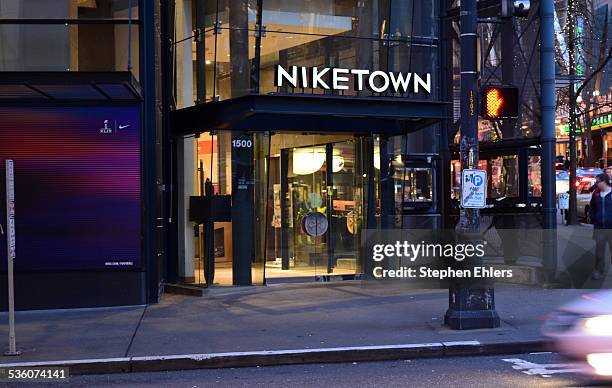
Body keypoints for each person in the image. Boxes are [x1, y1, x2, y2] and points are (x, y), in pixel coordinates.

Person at [589, 173, 612, 280]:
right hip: (600, 228)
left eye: (598, 182)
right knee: (599, 252)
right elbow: (592, 208)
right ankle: (599, 271)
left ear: (604, 181)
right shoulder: (596, 194)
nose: (596, 184)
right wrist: (594, 220)